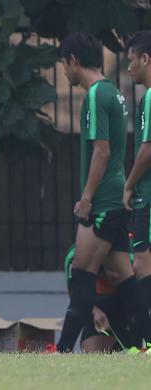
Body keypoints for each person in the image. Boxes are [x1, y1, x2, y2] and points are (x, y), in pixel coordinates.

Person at [50, 32, 151, 352]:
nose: (64, 74)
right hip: (115, 199)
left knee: (81, 273)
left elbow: (102, 152)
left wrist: (86, 198)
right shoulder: (115, 93)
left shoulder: (95, 96)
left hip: (104, 201)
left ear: (73, 61)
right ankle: (143, 345)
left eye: (64, 66)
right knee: (123, 274)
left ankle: (62, 350)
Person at [123, 30, 151, 304]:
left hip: (147, 197)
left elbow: (147, 150)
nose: (128, 67)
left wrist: (129, 185)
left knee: (142, 265)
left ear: (145, 59)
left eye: (131, 60)